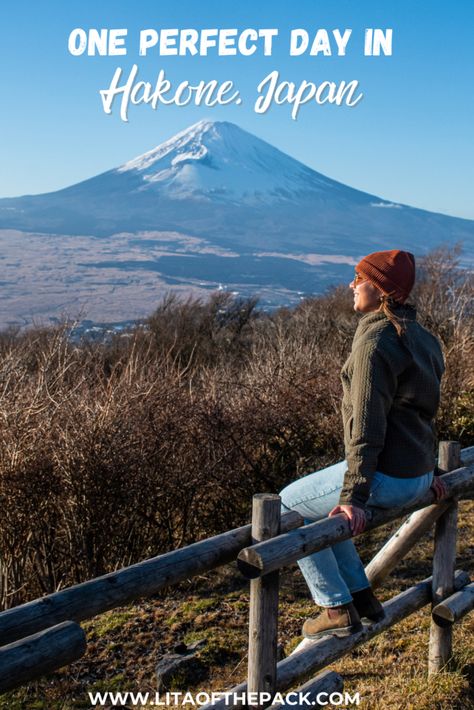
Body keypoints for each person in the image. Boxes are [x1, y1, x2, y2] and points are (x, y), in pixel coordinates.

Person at [280, 249, 446, 640]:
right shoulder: (424, 339)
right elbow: (421, 414)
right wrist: (431, 471)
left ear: (381, 288)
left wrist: (354, 496)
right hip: (417, 476)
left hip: (387, 476)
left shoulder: (376, 344)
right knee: (318, 507)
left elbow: (367, 426)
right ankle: (362, 597)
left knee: (287, 505)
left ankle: (334, 608)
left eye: (359, 277)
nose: (352, 285)